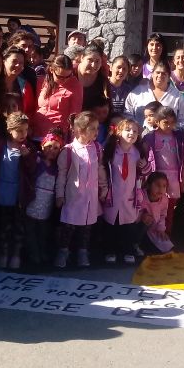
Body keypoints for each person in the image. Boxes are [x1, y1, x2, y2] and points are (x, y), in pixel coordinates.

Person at [54, 112, 104, 269]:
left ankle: (83, 251)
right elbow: (62, 175)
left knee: (86, 227)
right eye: (92, 128)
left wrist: (104, 187)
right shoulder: (69, 151)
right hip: (73, 196)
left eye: (97, 128)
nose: (96, 132)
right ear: (80, 131)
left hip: (90, 197)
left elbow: (100, 170)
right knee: (68, 226)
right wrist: (59, 195)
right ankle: (63, 251)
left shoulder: (97, 148)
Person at [101, 117, 145, 265]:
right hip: (113, 195)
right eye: (128, 130)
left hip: (130, 196)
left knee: (129, 226)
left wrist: (144, 166)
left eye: (135, 131)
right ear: (119, 132)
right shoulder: (111, 151)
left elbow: (145, 173)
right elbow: (104, 170)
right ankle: (110, 251)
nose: (131, 133)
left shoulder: (137, 153)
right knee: (111, 225)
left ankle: (128, 251)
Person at [0, 111, 34, 269]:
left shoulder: (28, 147)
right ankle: (4, 254)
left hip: (19, 194)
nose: (23, 134)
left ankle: (16, 255)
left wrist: (27, 157)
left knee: (19, 226)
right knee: (4, 226)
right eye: (19, 130)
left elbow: (32, 169)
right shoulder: (1, 144)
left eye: (25, 130)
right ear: (9, 130)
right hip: (3, 192)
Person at [141, 106, 183, 236]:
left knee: (169, 207)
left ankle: (166, 232)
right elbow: (144, 154)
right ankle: (151, 233)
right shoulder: (149, 137)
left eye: (172, 122)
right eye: (166, 122)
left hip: (173, 175)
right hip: (157, 176)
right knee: (155, 204)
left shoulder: (178, 137)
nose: (169, 126)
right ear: (157, 121)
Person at [25, 130, 62, 267]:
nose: (52, 150)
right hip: (32, 202)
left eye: (56, 148)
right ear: (42, 145)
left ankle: (43, 253)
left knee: (43, 231)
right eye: (49, 146)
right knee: (30, 230)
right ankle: (34, 254)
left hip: (47, 205)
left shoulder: (57, 166)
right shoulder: (36, 159)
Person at [125, 60, 184, 131]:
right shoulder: (138, 92)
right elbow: (127, 114)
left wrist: (170, 129)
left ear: (169, 77)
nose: (160, 75)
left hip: (168, 136)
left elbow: (183, 120)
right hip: (138, 135)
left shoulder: (177, 97)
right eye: (157, 72)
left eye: (164, 73)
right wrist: (136, 128)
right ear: (152, 74)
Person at [32, 54, 82, 141]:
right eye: (60, 77)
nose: (64, 80)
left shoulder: (75, 86)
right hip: (37, 131)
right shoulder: (42, 81)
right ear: (52, 70)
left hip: (57, 136)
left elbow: (75, 115)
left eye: (68, 76)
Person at [139, 171, 173, 254]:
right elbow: (135, 213)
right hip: (140, 228)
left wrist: (161, 229)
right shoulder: (141, 197)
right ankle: (136, 244)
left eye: (164, 186)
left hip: (154, 230)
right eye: (158, 185)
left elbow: (162, 215)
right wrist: (141, 217)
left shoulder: (164, 199)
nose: (161, 189)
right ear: (149, 185)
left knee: (166, 246)